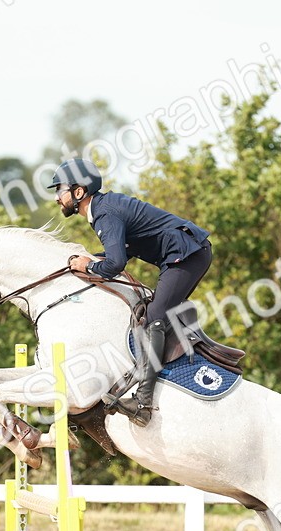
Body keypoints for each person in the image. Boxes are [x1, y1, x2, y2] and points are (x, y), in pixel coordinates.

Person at [48, 158, 212, 427]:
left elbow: (115, 264)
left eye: (59, 190)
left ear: (78, 192)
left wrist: (87, 265)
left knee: (154, 318)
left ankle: (143, 404)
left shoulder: (104, 214)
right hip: (184, 253)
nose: (56, 198)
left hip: (187, 254)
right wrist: (88, 261)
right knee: (156, 314)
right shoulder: (102, 209)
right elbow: (119, 253)